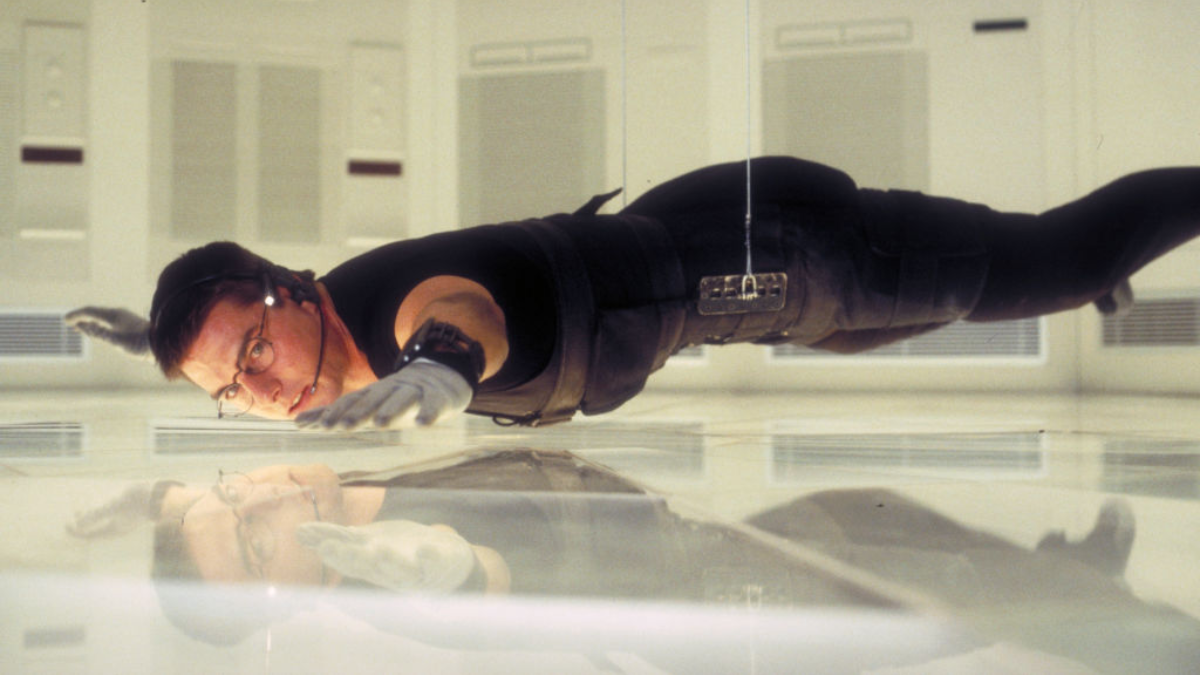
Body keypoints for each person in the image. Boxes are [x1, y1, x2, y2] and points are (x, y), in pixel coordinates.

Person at [68, 156, 1200, 430]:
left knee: (1051, 257)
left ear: (286, 290)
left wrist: (443, 367)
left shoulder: (388, 314)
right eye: (230, 391)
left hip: (774, 253)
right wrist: (175, 348)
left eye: (251, 354)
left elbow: (456, 313)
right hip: (736, 288)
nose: (262, 393)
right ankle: (1082, 281)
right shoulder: (326, 325)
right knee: (923, 312)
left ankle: (1112, 256)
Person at [69, 448, 1200, 674]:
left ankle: (1070, 567)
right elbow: (481, 586)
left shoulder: (336, 482)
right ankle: (1146, 634)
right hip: (734, 601)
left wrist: (151, 501)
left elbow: (181, 499)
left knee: (888, 511)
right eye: (252, 540)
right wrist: (449, 570)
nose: (263, 499)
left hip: (715, 537)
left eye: (234, 494)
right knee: (951, 594)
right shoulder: (388, 575)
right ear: (284, 592)